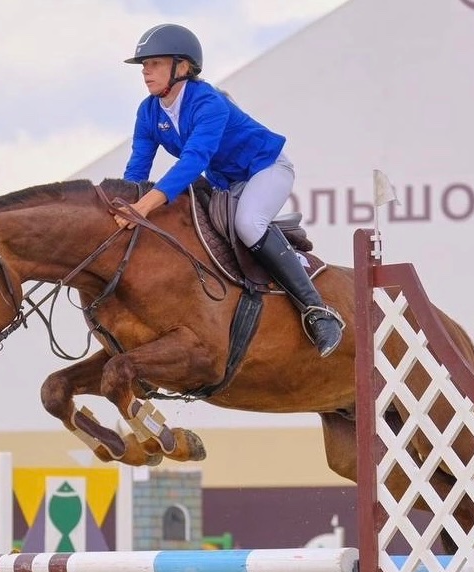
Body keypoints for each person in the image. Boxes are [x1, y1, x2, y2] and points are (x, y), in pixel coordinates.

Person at [117, 23, 344, 357]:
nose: (145, 72)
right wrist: (124, 203)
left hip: (265, 168)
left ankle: (318, 312)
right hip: (225, 182)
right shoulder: (148, 111)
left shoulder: (208, 102)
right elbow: (138, 169)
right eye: (144, 65)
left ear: (182, 67)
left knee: (248, 224)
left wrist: (144, 206)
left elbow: (194, 160)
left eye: (155, 63)